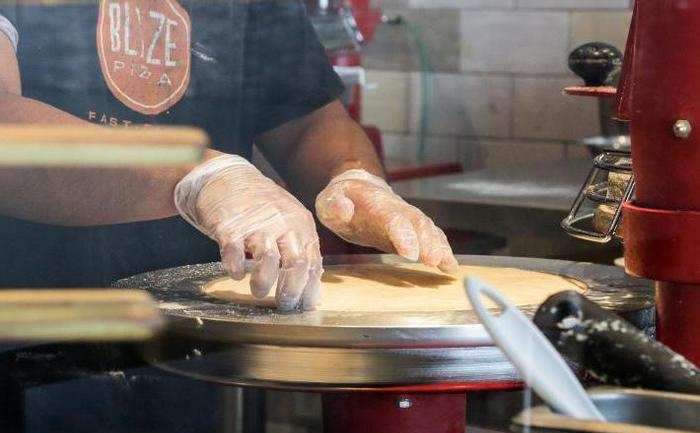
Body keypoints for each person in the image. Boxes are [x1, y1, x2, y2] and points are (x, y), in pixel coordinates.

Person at [0, 0, 457, 311]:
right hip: (32, 336)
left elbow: (306, 122)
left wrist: (352, 178)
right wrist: (197, 174)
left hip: (213, 331)